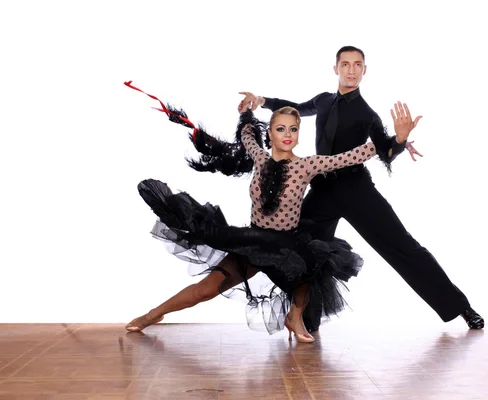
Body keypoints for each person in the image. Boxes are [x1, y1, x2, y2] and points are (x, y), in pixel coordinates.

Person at [124, 96, 417, 341]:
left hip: (286, 248)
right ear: (272, 133)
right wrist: (248, 110)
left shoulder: (307, 165)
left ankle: (295, 317)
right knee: (205, 290)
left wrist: (398, 140)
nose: (287, 135)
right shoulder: (259, 158)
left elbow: (351, 156)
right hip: (253, 243)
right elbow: (247, 135)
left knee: (315, 264)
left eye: (293, 129)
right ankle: (153, 314)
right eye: (280, 129)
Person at [237, 45, 484, 331]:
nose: (351, 70)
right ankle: (306, 320)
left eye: (357, 65)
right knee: (302, 251)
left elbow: (385, 151)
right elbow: (296, 108)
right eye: (346, 64)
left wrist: (400, 141)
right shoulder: (323, 100)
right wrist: (262, 100)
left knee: (402, 246)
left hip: (356, 191)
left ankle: (460, 306)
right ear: (336, 69)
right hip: (322, 191)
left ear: (364, 71)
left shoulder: (368, 114)